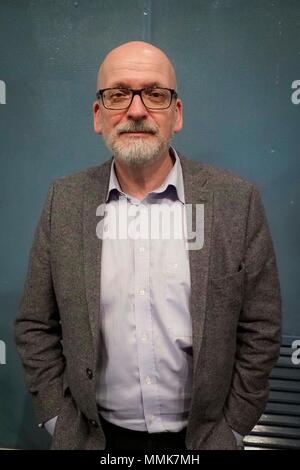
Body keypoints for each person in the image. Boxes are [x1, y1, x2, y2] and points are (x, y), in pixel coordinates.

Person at [14, 41, 282, 450]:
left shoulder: (236, 201)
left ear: (176, 114)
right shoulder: (63, 202)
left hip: (204, 441)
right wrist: (58, 419)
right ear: (97, 115)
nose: (136, 111)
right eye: (117, 94)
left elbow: (261, 326)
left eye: (155, 94)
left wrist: (233, 428)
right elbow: (35, 324)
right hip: (95, 440)